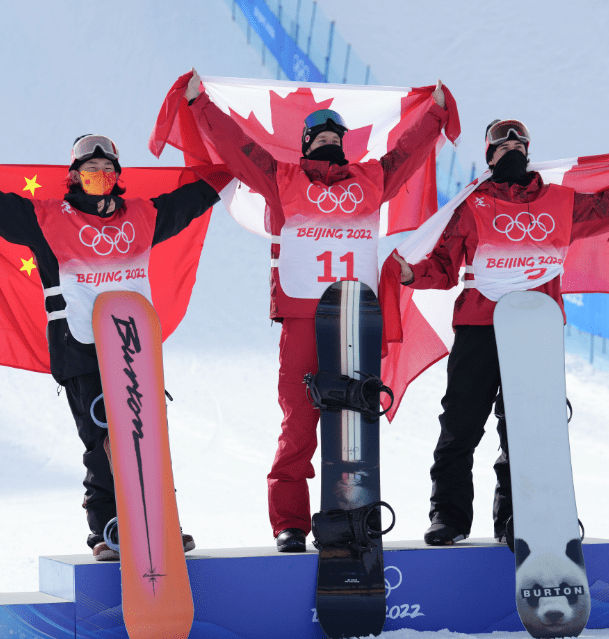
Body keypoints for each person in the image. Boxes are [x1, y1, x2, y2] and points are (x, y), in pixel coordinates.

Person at [0, 135, 222, 560]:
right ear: (74, 176)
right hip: (79, 343)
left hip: (134, 345)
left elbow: (187, 203)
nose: (100, 177)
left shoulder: (143, 217)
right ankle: (106, 530)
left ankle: (159, 521)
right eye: (91, 170)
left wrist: (227, 174)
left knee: (147, 435)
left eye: (108, 170)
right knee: (103, 437)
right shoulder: (48, 218)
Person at [392, 120, 609, 546]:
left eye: (519, 142)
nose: (511, 148)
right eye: (502, 145)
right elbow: (443, 266)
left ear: (529, 152)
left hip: (536, 331)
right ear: (490, 157)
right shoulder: (472, 204)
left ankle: (518, 519)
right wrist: (410, 272)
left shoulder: (560, 202)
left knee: (526, 430)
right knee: (460, 426)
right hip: (480, 326)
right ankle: (448, 516)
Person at [184, 70, 451, 552]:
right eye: (319, 135)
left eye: (336, 135)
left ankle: (354, 512)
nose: (329, 138)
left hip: (355, 315)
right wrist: (200, 105)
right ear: (306, 145)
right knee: (300, 421)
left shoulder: (372, 178)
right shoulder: (281, 177)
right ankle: (290, 522)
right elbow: (239, 147)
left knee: (355, 419)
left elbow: (407, 154)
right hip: (305, 314)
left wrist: (434, 113)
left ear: (345, 145)